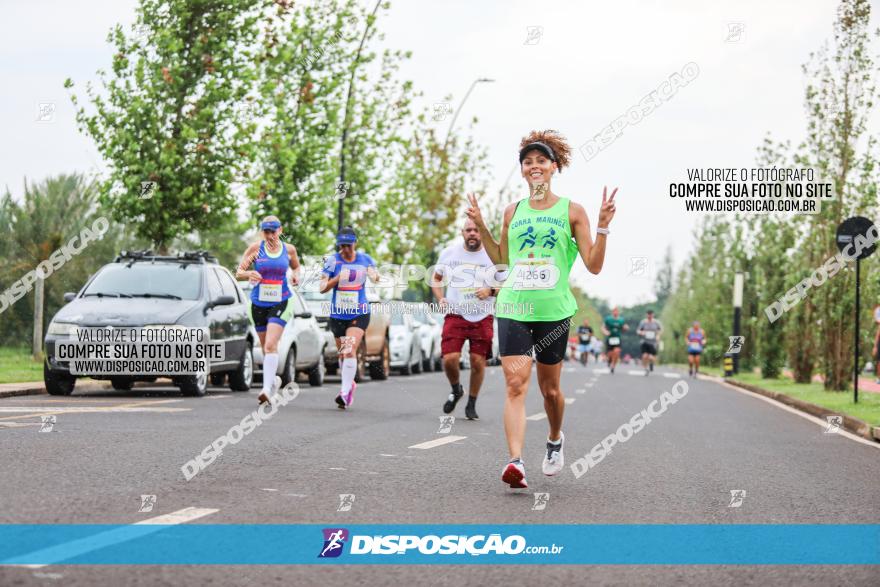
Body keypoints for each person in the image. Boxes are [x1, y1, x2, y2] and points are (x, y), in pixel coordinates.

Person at [466, 129, 618, 489]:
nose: (534, 167)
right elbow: (502, 260)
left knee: (550, 391)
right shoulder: (512, 211)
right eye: (528, 162)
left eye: (541, 161)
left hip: (553, 311)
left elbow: (594, 265)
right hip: (514, 306)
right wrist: (484, 226)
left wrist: (603, 227)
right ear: (522, 171)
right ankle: (515, 461)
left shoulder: (572, 211)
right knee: (516, 384)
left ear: (553, 167)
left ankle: (554, 439)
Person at [431, 219, 504, 420]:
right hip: (455, 312)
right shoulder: (449, 253)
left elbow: (507, 284)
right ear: (462, 232)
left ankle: (472, 402)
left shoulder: (492, 255)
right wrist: (440, 298)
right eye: (468, 230)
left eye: (476, 230)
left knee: (477, 362)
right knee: (449, 359)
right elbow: (436, 279)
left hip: (482, 315)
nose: (472, 233)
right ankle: (456, 389)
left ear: (482, 233)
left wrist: (490, 290)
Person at [235, 215, 301, 405]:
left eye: (273, 231)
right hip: (258, 302)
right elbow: (239, 272)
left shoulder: (289, 250)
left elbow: (296, 267)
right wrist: (249, 273)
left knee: (271, 344)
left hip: (281, 300)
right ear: (262, 232)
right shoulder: (256, 249)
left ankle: (266, 390)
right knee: (266, 347)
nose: (270, 235)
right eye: (266, 232)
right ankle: (271, 382)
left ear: (280, 231)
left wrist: (296, 276)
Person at [320, 226, 379, 409]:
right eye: (342, 245)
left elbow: (376, 277)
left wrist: (373, 274)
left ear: (355, 243)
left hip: (359, 313)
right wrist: (337, 278)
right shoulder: (332, 261)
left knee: (349, 349)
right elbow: (322, 287)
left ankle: (344, 393)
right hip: (338, 314)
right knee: (343, 354)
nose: (345, 249)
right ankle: (349, 383)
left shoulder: (364, 259)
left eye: (349, 245)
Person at [602, 307, 628, 374]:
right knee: (610, 353)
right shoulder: (608, 319)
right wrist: (605, 332)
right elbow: (603, 327)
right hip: (610, 338)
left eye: (617, 311)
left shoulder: (621, 320)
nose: (615, 312)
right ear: (612, 312)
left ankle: (613, 366)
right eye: (614, 311)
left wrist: (626, 328)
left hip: (617, 339)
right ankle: (609, 360)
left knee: (616, 353)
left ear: (618, 312)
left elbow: (623, 328)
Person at [636, 310, 662, 375]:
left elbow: (660, 330)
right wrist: (641, 332)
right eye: (648, 314)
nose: (650, 316)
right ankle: (646, 369)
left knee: (651, 357)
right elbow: (638, 330)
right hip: (644, 341)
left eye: (651, 314)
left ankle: (651, 363)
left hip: (653, 342)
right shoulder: (643, 322)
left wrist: (658, 336)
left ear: (653, 315)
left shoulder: (656, 322)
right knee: (644, 356)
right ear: (646, 315)